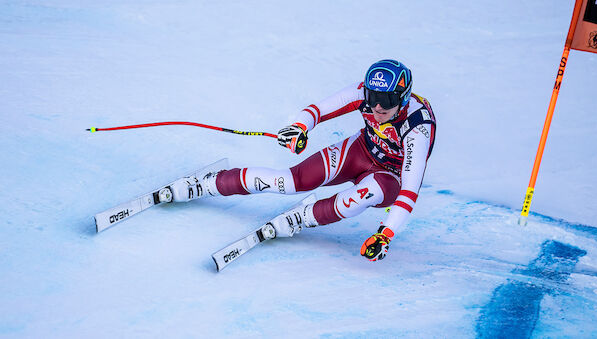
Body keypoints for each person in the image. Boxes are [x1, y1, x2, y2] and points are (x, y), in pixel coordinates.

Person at [159, 59, 436, 261]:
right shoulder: (364, 94)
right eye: (373, 97)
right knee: (288, 181)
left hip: (390, 177)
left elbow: (409, 192)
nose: (376, 107)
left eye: (386, 101)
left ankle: (302, 218)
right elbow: (318, 109)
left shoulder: (417, 128)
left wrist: (385, 234)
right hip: (361, 151)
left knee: (360, 197)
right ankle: (207, 185)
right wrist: (299, 128)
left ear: (404, 98)